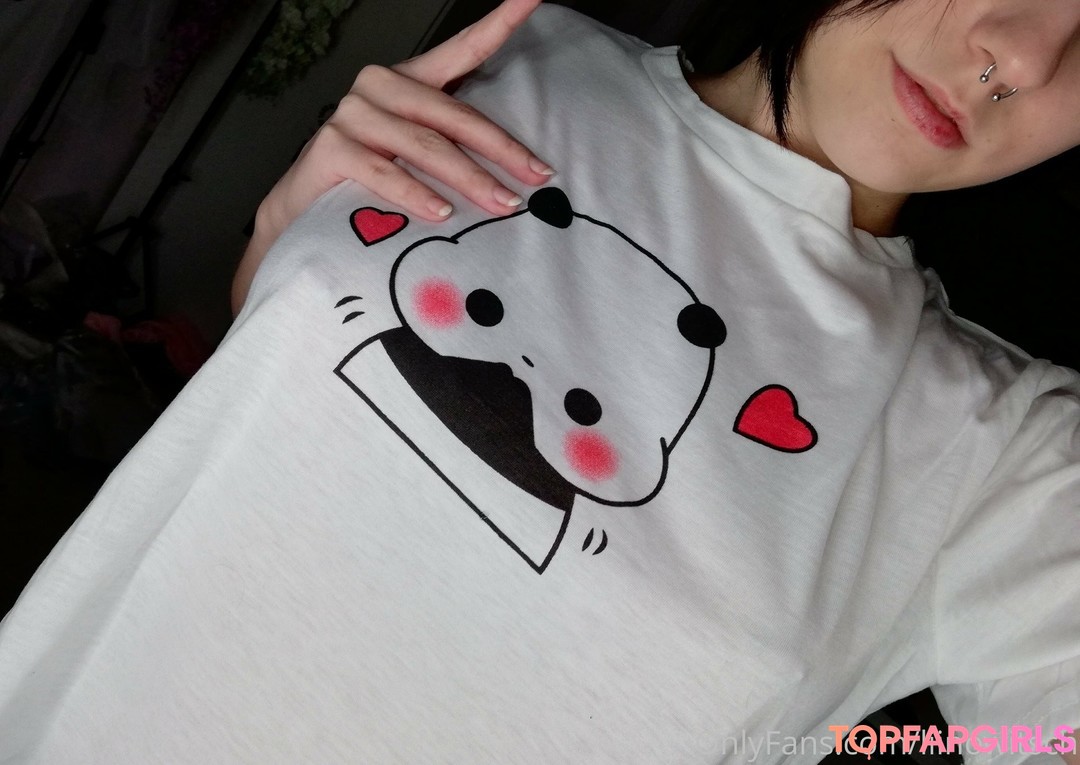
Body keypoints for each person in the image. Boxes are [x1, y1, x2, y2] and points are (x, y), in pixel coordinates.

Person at [1, 0, 1078, 762]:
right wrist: (281, 241)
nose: (1023, 56)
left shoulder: (1007, 453)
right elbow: (256, 435)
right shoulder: (526, 56)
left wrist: (857, 747)